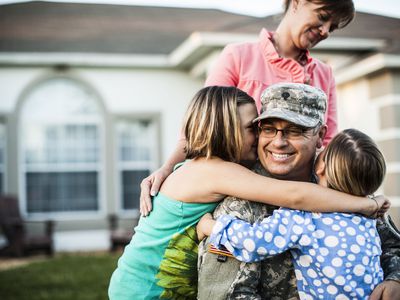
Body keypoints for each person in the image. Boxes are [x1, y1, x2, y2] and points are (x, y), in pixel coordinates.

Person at [108, 86, 383, 299]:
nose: (265, 138)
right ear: (225, 131)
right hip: (146, 290)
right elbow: (295, 196)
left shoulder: (205, 167)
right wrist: (363, 205)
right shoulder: (215, 172)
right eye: (255, 128)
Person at [140, 0, 356, 215]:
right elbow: (201, 128)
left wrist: (352, 194)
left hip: (305, 199)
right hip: (241, 200)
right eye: (323, 17)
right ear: (297, 3)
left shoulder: (324, 73)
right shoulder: (239, 57)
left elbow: (329, 146)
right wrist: (167, 169)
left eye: (333, 27)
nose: (326, 31)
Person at [197, 82, 400, 300]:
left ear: (321, 134)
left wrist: (395, 279)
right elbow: (224, 296)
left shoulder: (341, 179)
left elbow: (392, 245)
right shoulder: (240, 207)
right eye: (268, 129)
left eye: (295, 130)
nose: (279, 142)